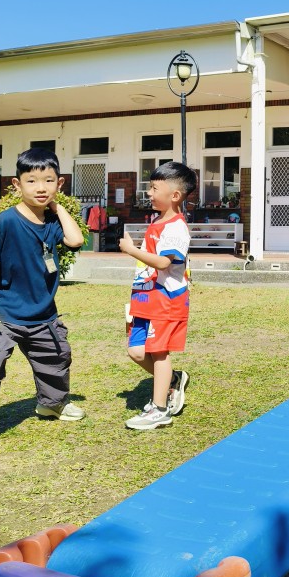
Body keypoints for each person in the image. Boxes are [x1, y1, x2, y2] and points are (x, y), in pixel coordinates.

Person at [0, 147, 86, 426]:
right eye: (31, 181)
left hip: (43, 313)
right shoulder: (6, 221)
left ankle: (52, 405)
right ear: (17, 185)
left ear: (59, 183)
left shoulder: (52, 221)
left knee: (55, 358)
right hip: (5, 312)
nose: (41, 188)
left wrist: (58, 207)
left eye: (48, 181)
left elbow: (76, 240)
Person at [119, 161, 197, 430]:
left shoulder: (175, 227)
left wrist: (131, 249)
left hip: (166, 300)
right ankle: (173, 379)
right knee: (136, 351)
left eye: (154, 188)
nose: (149, 193)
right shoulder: (157, 222)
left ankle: (160, 409)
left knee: (159, 352)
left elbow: (164, 263)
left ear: (174, 195)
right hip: (146, 297)